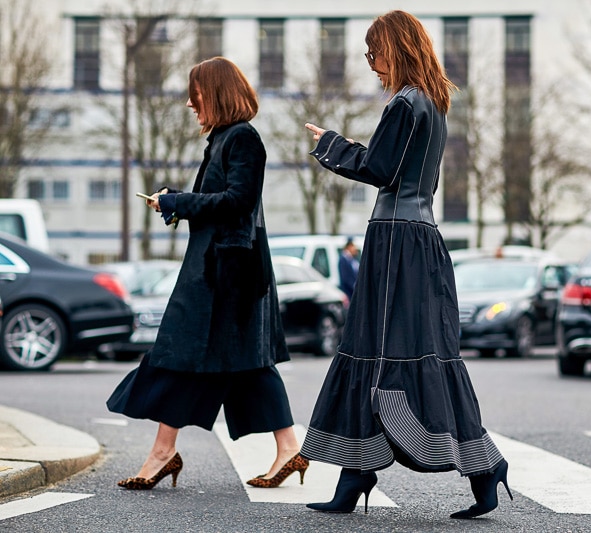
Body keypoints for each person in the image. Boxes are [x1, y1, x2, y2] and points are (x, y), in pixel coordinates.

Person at [300, 11, 511, 519]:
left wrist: (330, 144)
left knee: (376, 351)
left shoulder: (405, 103)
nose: (372, 65)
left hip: (395, 243)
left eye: (374, 54)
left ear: (395, 48)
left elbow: (379, 169)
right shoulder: (433, 104)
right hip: (422, 238)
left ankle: (360, 476)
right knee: (421, 354)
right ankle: (479, 470)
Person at [107, 56, 308, 491]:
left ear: (214, 92)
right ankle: (283, 448)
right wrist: (173, 203)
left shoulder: (243, 139)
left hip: (229, 274)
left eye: (194, 93)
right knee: (237, 361)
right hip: (217, 268)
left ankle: (166, 452)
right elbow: (217, 202)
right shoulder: (222, 139)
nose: (188, 102)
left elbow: (237, 200)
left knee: (191, 354)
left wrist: (179, 201)